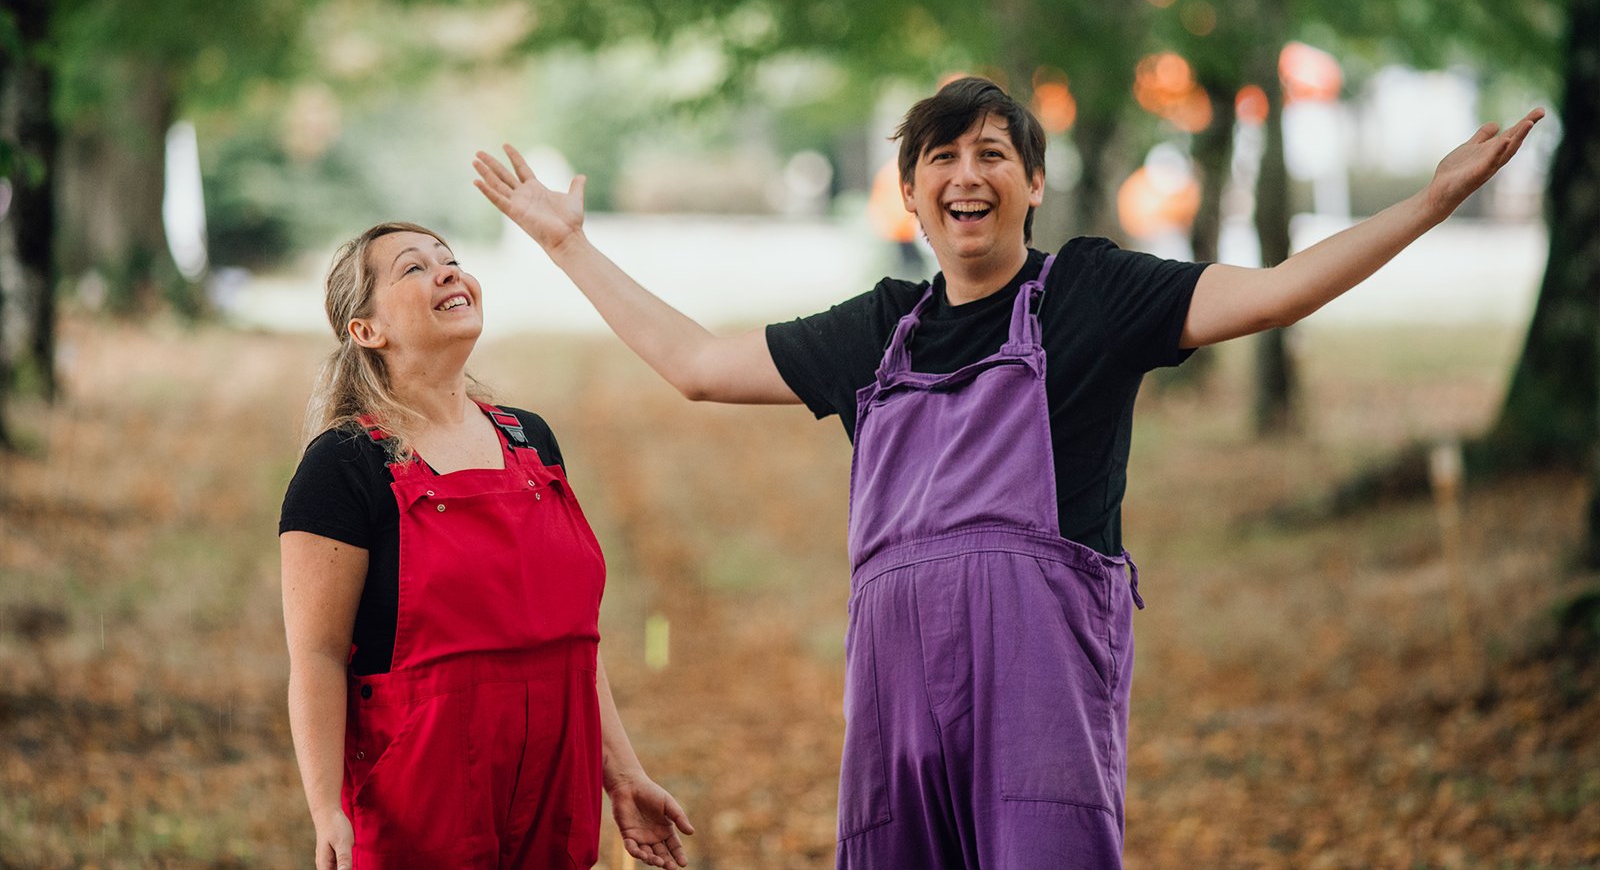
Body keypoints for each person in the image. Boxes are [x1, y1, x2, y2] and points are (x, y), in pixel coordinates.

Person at [471, 78, 1542, 869]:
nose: (964, 175)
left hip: (1039, 675)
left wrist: (1429, 204)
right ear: (910, 193)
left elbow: (1272, 294)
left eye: (990, 153)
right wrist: (568, 246)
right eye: (939, 158)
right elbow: (699, 367)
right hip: (895, 692)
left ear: (1031, 182)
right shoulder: (878, 331)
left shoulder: (1089, 294)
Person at [279, 221, 694, 870]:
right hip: (423, 808)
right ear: (367, 331)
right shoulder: (343, 466)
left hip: (557, 801)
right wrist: (324, 807)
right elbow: (317, 656)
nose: (447, 272)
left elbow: (576, 643)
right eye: (413, 269)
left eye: (450, 260)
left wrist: (624, 774)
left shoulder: (533, 441)